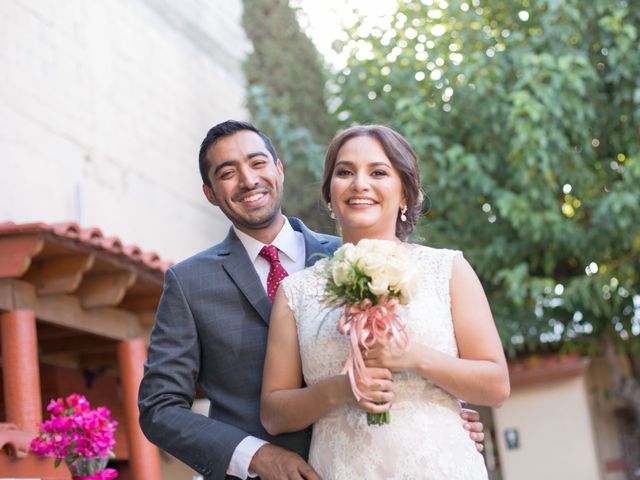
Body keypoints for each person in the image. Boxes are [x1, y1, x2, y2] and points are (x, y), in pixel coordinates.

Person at [138, 120, 486, 480]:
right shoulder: (188, 282)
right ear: (210, 193)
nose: (248, 180)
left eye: (258, 164)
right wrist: (255, 456)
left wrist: (443, 414)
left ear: (279, 170)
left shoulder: (362, 256)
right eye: (227, 173)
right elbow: (159, 408)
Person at [261, 125, 510, 479]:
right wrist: (341, 389)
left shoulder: (448, 269)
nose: (360, 183)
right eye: (345, 172)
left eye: (378, 172)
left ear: (405, 193)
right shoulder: (297, 292)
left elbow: (496, 385)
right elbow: (273, 413)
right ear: (330, 194)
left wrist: (412, 357)